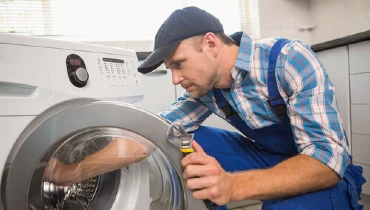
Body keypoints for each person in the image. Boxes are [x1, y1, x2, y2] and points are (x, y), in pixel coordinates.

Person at [136, 6, 366, 210]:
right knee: (181, 139)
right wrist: (99, 159)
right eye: (170, 69)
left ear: (210, 44)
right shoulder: (204, 87)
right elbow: (154, 131)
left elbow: (327, 158)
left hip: (323, 168)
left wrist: (233, 186)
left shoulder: (288, 60)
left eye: (178, 64)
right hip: (268, 158)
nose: (175, 79)